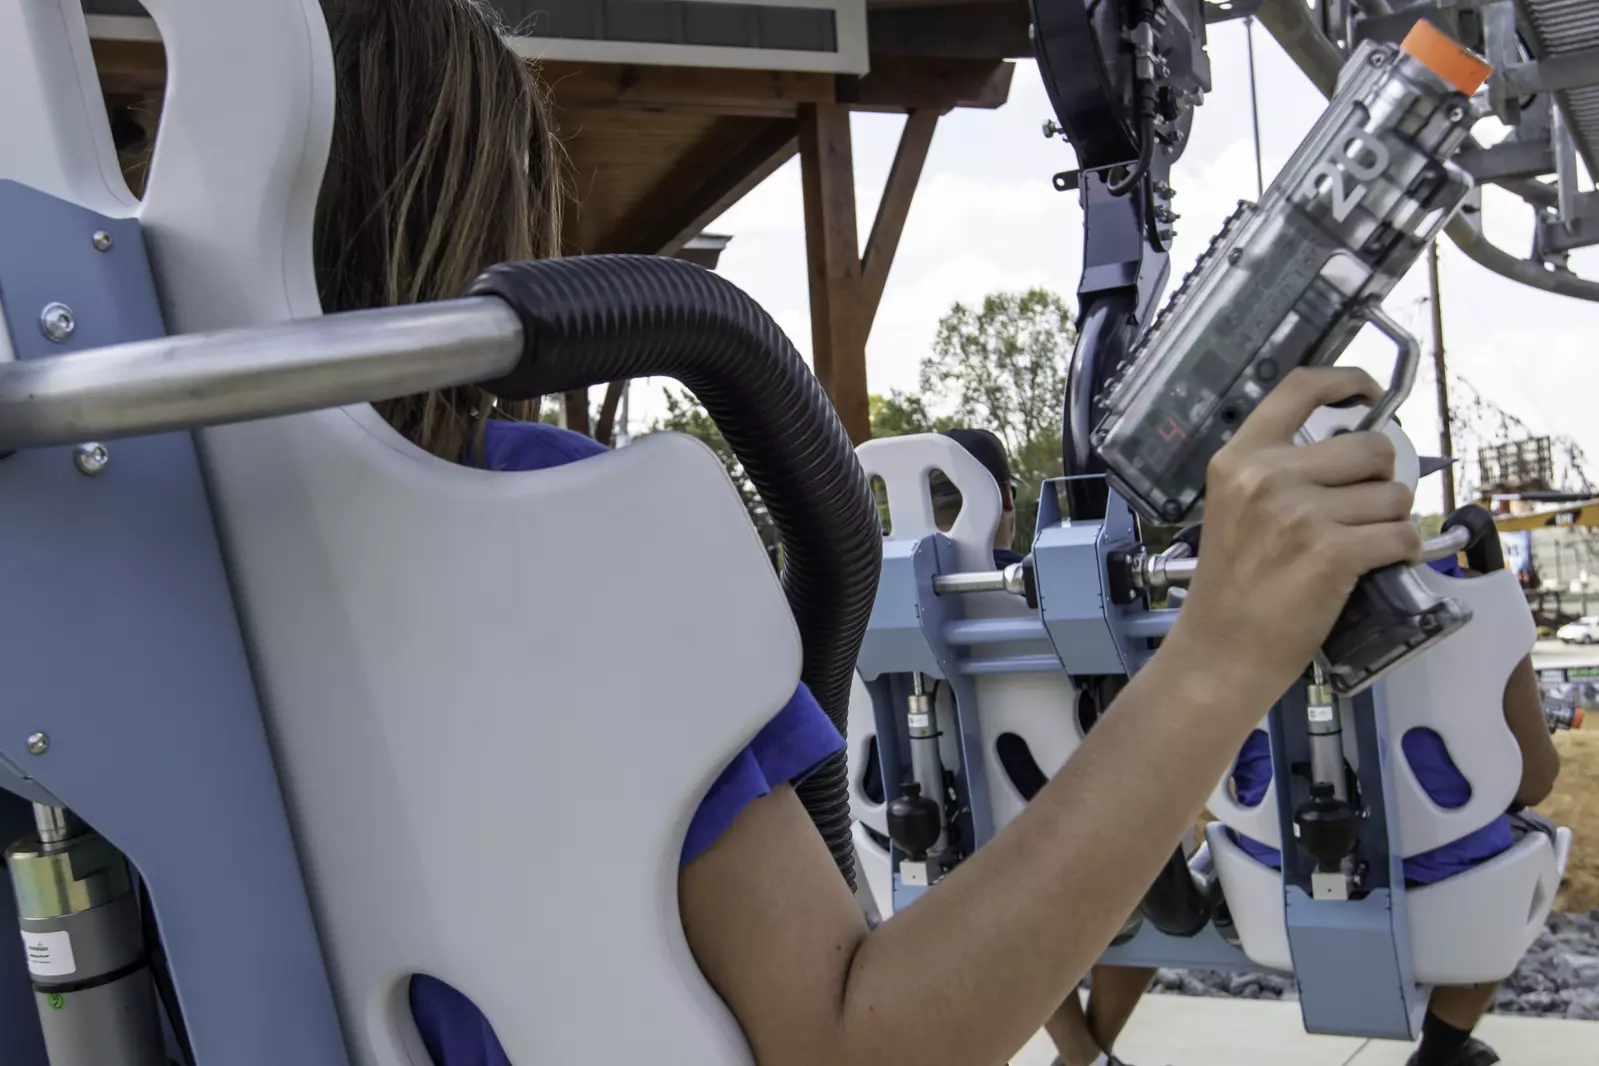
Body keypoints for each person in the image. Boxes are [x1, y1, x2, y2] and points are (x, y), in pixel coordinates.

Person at [296, 3, 1432, 1064]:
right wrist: (1221, 656)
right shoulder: (541, 530)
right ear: (487, 210)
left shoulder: (179, 569)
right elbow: (857, 1038)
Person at [1227, 543, 1560, 1066]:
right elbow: (1536, 781)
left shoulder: (1221, 597)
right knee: (1530, 833)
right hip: (1456, 882)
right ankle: (1441, 1050)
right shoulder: (1476, 594)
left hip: (1272, 871)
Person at [934, 427, 1160, 1066]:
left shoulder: (871, 611)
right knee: (1159, 870)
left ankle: (1080, 1057)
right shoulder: (1062, 598)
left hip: (953, 856)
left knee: (1014, 904)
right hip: (1081, 847)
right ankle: (1086, 1057)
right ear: (1007, 497)